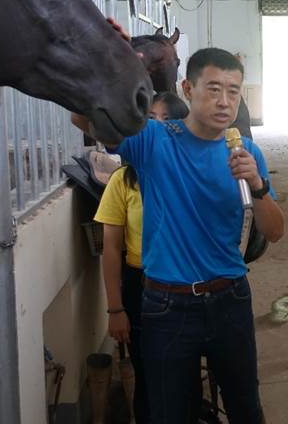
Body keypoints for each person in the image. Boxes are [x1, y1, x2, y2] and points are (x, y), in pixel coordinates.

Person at [72, 47, 285, 423]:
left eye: (233, 91)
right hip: (167, 305)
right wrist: (113, 58)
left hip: (230, 298)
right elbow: (81, 117)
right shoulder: (154, 140)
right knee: (169, 412)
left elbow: (275, 231)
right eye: (213, 89)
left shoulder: (246, 152)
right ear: (187, 88)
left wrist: (258, 185)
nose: (224, 101)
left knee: (246, 408)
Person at [95, 93, 189, 424]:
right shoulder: (124, 180)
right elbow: (111, 248)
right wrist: (116, 309)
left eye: (165, 120)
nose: (155, 128)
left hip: (185, 284)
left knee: (184, 376)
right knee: (148, 376)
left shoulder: (189, 175)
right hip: (142, 286)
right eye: (149, 120)